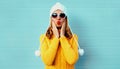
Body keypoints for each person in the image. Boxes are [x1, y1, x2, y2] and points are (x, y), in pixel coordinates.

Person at [40, 2, 79, 69]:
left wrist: (62, 37)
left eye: (62, 15)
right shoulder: (44, 38)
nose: (58, 18)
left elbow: (72, 60)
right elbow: (47, 61)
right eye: (54, 15)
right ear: (51, 18)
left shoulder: (73, 38)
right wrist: (56, 38)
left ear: (65, 18)